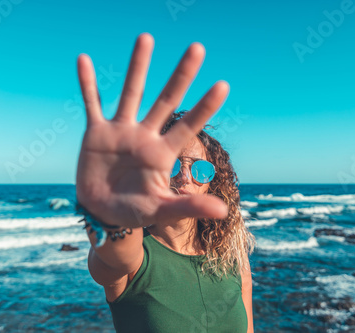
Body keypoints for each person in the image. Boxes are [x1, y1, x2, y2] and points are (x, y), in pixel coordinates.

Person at [75, 33, 255, 332]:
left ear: (212, 183)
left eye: (201, 170)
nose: (185, 176)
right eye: (173, 165)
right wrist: (113, 214)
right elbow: (112, 256)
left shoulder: (232, 257)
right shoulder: (136, 261)